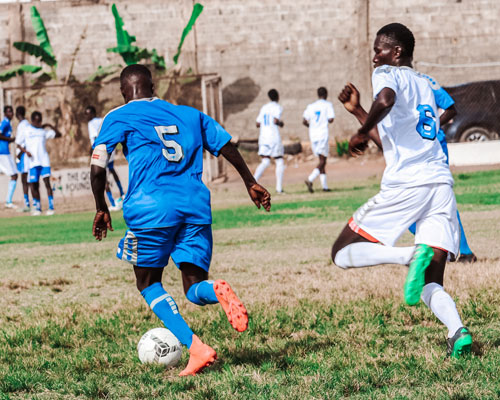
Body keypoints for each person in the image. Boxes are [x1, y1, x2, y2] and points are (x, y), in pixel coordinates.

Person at [90, 64, 271, 376]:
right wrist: (250, 181)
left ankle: (196, 348)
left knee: (147, 282)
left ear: (124, 91)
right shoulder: (190, 114)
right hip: (195, 206)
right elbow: (226, 145)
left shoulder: (118, 116)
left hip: (152, 209)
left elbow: (98, 166)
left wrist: (101, 206)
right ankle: (215, 290)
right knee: (193, 286)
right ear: (153, 85)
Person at [332, 23, 472, 358]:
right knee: (430, 281)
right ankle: (458, 331)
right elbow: (393, 139)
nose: (374, 56)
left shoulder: (387, 74)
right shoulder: (424, 84)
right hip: (439, 185)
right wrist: (357, 112)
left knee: (340, 253)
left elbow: (386, 98)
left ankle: (406, 255)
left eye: (379, 49)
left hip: (407, 184)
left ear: (396, 53)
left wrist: (362, 131)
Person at [412, 76, 477, 263]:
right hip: (410, 150)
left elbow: (450, 108)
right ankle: (441, 244)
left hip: (434, 146)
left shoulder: (423, 80)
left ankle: (461, 250)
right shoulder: (390, 81)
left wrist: (431, 127)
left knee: (441, 194)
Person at [22, 111, 62, 215]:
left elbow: (58, 134)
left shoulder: (43, 131)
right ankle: (38, 208)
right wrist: (26, 152)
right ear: (32, 120)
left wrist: (49, 126)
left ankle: (51, 207)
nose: (39, 122)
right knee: (34, 185)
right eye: (37, 121)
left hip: (44, 161)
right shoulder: (27, 130)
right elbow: (19, 144)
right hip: (32, 162)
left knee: (47, 183)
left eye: (40, 120)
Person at [85, 105, 124, 211]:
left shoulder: (91, 123)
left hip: (101, 150)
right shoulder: (102, 119)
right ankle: (122, 194)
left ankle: (113, 203)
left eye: (88, 114)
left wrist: (92, 152)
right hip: (111, 147)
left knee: (102, 176)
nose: (87, 116)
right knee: (112, 170)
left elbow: (94, 139)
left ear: (92, 113)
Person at [303, 87, 335, 193]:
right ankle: (310, 179)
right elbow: (331, 119)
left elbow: (304, 121)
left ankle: (324, 187)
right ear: (326, 94)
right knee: (323, 160)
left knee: (321, 160)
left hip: (313, 135)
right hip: (322, 135)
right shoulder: (327, 105)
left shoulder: (311, 106)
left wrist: (312, 125)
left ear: (317, 94)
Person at [254, 89, 285, 193]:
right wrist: (281, 123)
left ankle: (253, 182)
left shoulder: (264, 107)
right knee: (279, 160)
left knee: (265, 161)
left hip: (263, 137)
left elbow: (257, 123)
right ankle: (279, 188)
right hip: (273, 137)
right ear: (277, 96)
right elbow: (276, 120)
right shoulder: (277, 107)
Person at [0, 105, 18, 209]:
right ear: (5, 113)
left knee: (14, 175)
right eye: (9, 112)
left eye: (12, 111)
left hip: (5, 152)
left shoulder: (8, 123)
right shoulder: (5, 122)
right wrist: (10, 139)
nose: (11, 113)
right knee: (14, 175)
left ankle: (8, 200)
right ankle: (8, 201)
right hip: (3, 153)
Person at [14, 106, 32, 212]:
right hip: (23, 154)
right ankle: (29, 203)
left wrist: (20, 153)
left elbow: (24, 142)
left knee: (25, 179)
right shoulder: (25, 124)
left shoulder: (23, 125)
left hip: (23, 155)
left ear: (17, 114)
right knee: (25, 179)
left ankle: (28, 204)